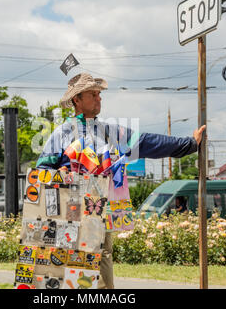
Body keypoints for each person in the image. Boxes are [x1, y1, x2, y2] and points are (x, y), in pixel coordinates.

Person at [36, 72, 206, 289]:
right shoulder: (61, 134)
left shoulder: (110, 132)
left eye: (99, 94)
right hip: (68, 213)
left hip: (99, 209)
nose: (99, 98)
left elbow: (146, 142)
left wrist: (189, 144)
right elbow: (42, 170)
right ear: (76, 100)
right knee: (68, 263)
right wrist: (59, 173)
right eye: (93, 94)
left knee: (103, 256)